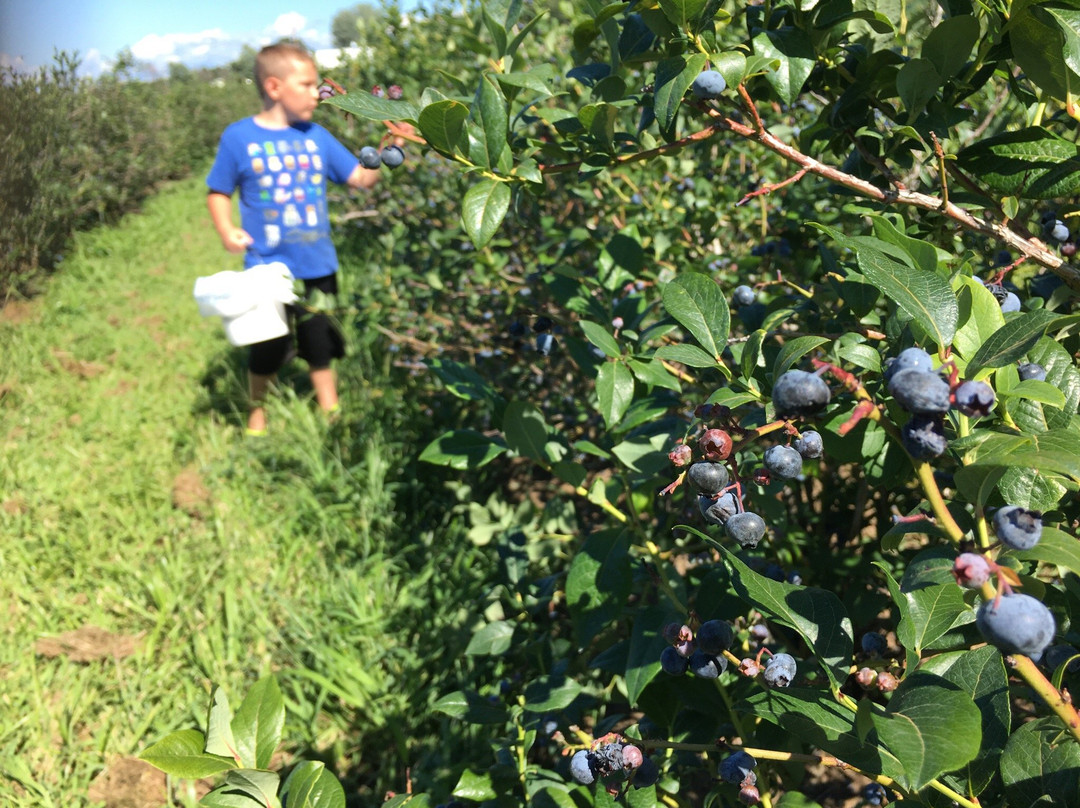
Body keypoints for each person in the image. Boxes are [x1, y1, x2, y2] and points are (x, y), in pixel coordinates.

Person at [205, 41, 379, 436]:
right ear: (274, 86)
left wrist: (392, 146)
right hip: (266, 265)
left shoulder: (317, 137)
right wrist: (225, 228)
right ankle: (257, 414)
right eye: (307, 84)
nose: (317, 93)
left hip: (317, 262)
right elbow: (218, 189)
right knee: (265, 345)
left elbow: (360, 178)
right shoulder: (238, 138)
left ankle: (330, 411)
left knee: (320, 344)